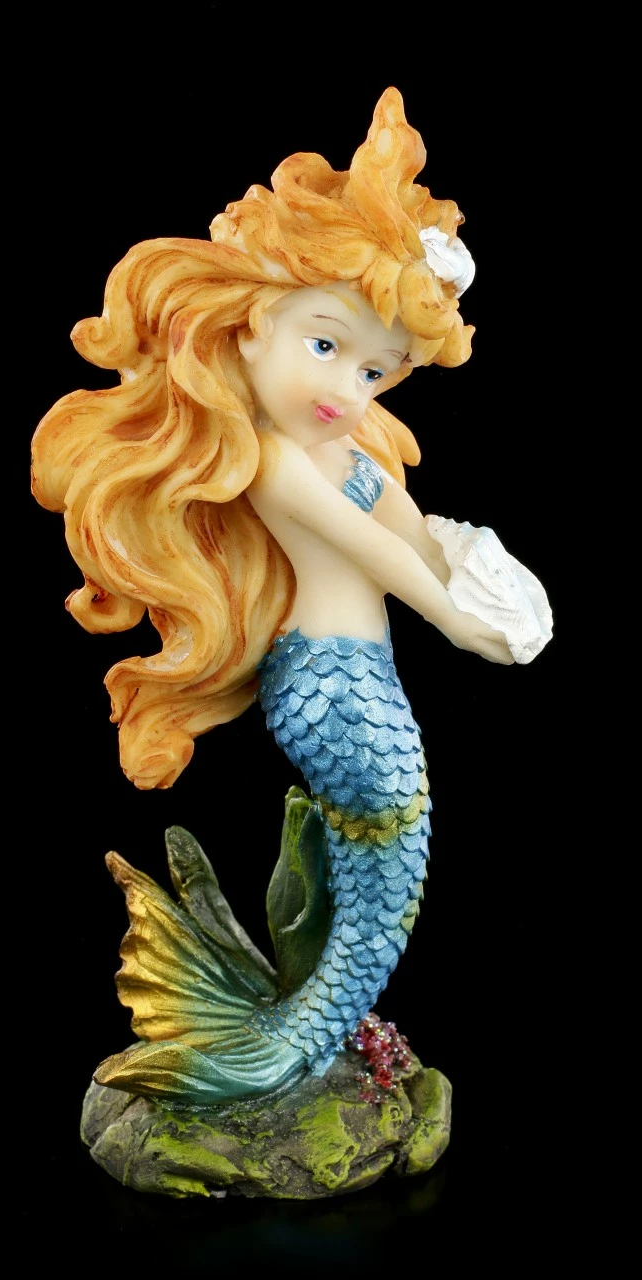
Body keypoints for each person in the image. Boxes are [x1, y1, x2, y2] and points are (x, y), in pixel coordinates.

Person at [31, 88, 518, 1105]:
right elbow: (368, 548)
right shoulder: (271, 462)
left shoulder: (346, 446)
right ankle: (289, 1039)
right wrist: (453, 619)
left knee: (383, 859)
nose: (348, 388)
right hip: (326, 682)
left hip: (361, 676)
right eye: (326, 346)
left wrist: (482, 580)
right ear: (250, 325)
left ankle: (311, 1018)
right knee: (391, 839)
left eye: (378, 371)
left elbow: (410, 529)